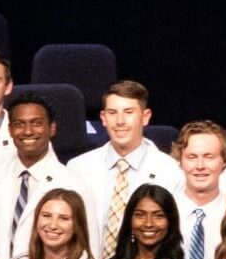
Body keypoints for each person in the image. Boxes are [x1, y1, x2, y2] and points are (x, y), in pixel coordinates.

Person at [65, 81, 181, 247]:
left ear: (145, 117)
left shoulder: (171, 171)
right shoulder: (78, 168)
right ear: (103, 118)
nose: (120, 121)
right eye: (112, 113)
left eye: (128, 112)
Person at [0, 93, 70, 259]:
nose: (28, 131)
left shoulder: (72, 184)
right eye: (19, 124)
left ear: (52, 128)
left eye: (37, 123)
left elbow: (87, 251)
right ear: (10, 130)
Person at [171, 121, 226, 259]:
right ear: (181, 161)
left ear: (224, 161)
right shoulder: (165, 210)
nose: (200, 166)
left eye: (209, 157)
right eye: (192, 157)